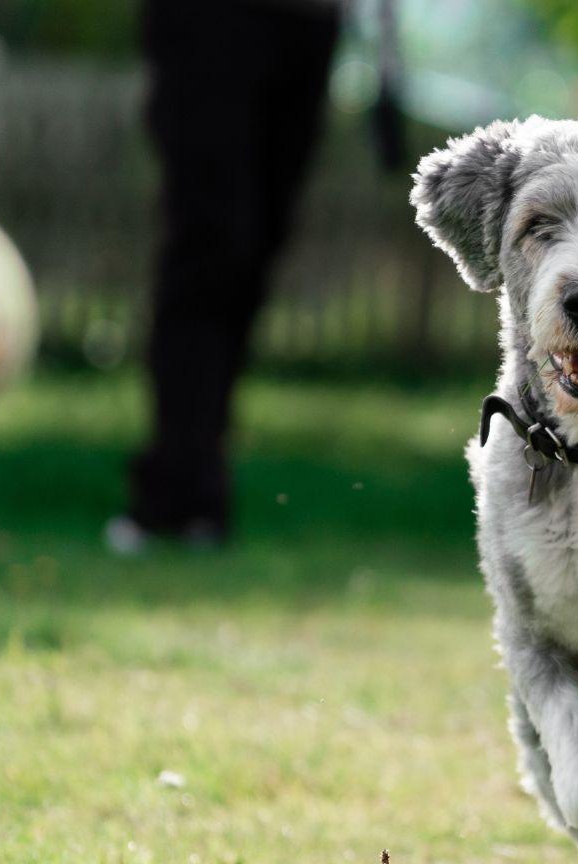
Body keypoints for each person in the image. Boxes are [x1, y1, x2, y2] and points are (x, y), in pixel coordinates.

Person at [107, 0, 342, 552]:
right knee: (212, 242)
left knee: (257, 249)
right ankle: (177, 490)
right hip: (213, 19)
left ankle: (196, 480)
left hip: (310, 21)